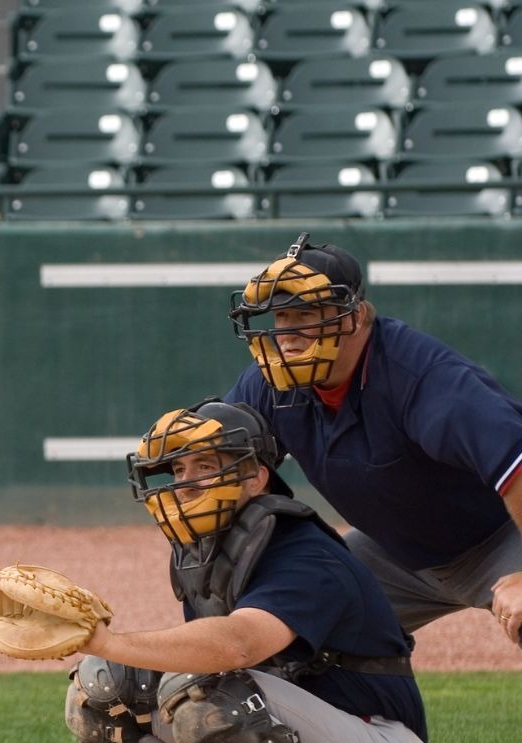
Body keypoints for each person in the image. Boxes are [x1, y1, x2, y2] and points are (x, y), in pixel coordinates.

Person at [64, 400, 425, 743]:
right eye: (178, 470)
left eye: (205, 466)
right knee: (103, 685)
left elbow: (238, 645)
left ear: (255, 478)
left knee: (201, 689)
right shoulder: (206, 555)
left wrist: (110, 639)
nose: (185, 483)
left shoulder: (304, 551)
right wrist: (104, 653)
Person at [223, 233, 522, 647]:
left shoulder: (421, 378)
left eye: (305, 314)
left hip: (502, 534)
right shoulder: (274, 384)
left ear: (356, 316)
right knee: (287, 623)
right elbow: (222, 454)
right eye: (281, 317)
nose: (288, 334)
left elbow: (516, 461)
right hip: (395, 555)